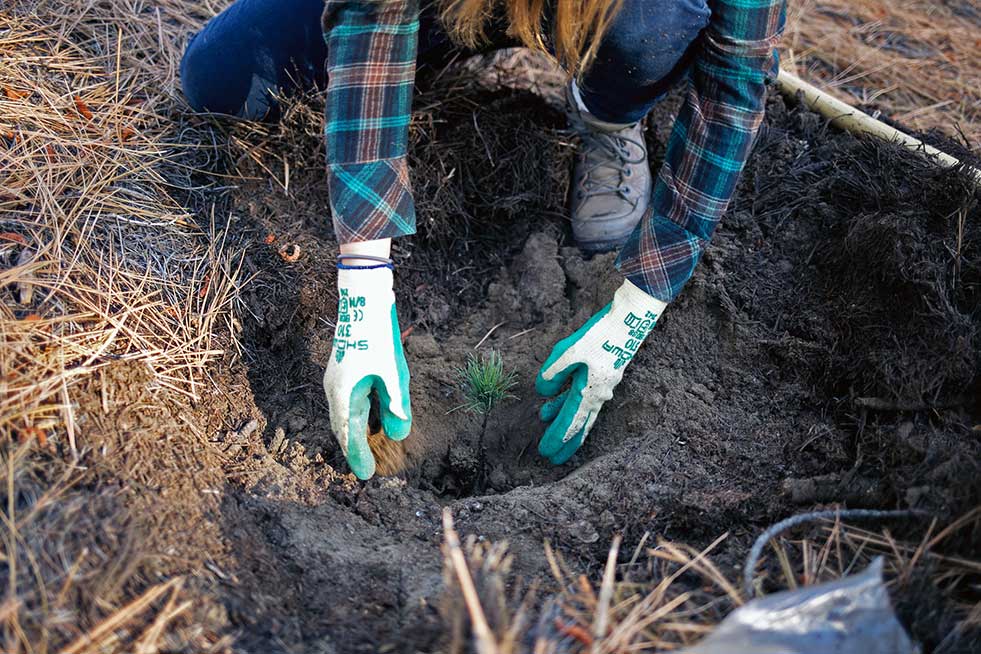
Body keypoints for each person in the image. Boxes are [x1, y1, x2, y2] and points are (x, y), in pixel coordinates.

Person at [181, 0, 786, 479]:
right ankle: (443, 37)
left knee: (658, 19)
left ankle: (611, 112)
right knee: (220, 76)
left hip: (617, 17)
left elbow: (736, 81)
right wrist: (363, 277)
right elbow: (370, 13)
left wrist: (640, 302)